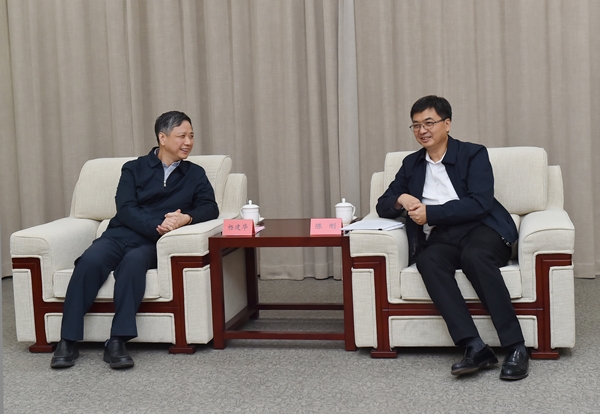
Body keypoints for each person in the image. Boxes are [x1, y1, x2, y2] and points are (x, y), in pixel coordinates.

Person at [376, 95, 529, 380]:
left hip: (483, 229)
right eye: (416, 125)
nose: (422, 130)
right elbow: (382, 205)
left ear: (447, 124)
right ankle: (474, 346)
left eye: (429, 123)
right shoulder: (411, 164)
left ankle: (515, 346)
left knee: (475, 256)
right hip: (442, 237)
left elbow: (480, 203)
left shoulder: (473, 154)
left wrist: (431, 213)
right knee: (428, 260)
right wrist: (401, 198)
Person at [51, 111, 219, 369]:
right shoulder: (133, 168)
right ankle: (67, 340)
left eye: (191, 136)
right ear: (162, 138)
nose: (188, 142)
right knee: (89, 262)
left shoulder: (195, 174)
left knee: (133, 264)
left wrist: (185, 218)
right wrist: (157, 225)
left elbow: (210, 207)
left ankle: (117, 340)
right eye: (182, 136)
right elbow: (126, 208)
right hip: (120, 234)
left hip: (150, 245)